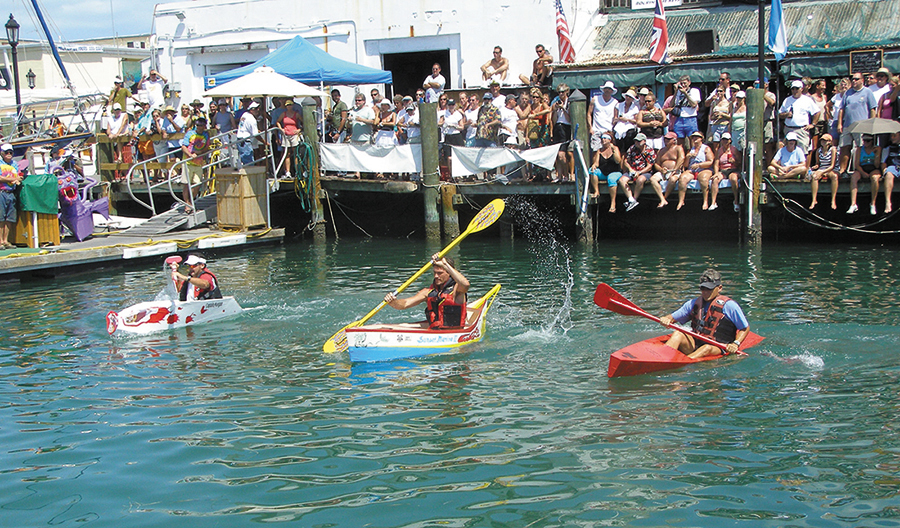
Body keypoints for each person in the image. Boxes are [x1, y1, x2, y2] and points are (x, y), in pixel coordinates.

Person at [659, 268, 750, 359]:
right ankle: (661, 358)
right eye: (703, 288)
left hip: (718, 346)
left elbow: (744, 328)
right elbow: (671, 318)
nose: (705, 292)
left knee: (706, 348)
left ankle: (685, 362)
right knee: (678, 333)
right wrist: (666, 319)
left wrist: (736, 343)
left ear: (719, 288)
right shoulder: (693, 304)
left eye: (709, 289)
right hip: (696, 342)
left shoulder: (729, 306)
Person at [383, 254, 470, 330]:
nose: (436, 276)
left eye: (440, 273)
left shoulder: (457, 290)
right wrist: (393, 302)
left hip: (454, 332)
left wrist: (445, 264)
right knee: (403, 325)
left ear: (449, 273)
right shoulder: (427, 292)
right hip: (434, 330)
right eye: (435, 273)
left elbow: (465, 284)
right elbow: (405, 304)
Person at [838, 73, 877, 174]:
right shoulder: (847, 93)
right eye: (852, 79)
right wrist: (839, 124)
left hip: (861, 126)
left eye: (856, 79)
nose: (854, 81)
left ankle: (857, 169)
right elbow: (841, 109)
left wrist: (871, 124)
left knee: (860, 147)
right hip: (847, 125)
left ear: (862, 80)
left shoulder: (868, 92)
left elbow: (872, 109)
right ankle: (842, 170)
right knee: (844, 147)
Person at [779, 79, 821, 153]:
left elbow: (817, 112)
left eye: (797, 89)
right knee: (788, 151)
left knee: (803, 151)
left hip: (802, 130)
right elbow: (779, 114)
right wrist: (786, 115)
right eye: (793, 89)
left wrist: (813, 124)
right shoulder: (787, 100)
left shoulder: (807, 100)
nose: (795, 91)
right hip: (789, 129)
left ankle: (803, 165)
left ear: (801, 89)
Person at [180, 117, 210, 213]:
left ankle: (191, 201)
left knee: (197, 184)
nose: (199, 127)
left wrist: (200, 152)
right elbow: (183, 146)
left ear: (204, 126)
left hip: (198, 163)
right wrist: (189, 155)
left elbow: (207, 147)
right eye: (197, 125)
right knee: (186, 184)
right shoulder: (190, 133)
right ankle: (187, 203)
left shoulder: (206, 135)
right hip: (188, 162)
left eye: (201, 125)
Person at [679, 130, 714, 210]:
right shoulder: (691, 149)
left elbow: (710, 161)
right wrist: (687, 157)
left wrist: (699, 165)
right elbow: (686, 165)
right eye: (693, 137)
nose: (694, 139)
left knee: (703, 178)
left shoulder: (706, 148)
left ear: (701, 139)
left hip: (704, 168)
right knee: (682, 178)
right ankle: (681, 200)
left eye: (696, 137)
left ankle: (705, 201)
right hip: (692, 169)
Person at [847, 134, 882, 215]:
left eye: (868, 141)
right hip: (862, 168)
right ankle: (853, 204)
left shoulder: (878, 149)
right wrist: (863, 173)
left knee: (875, 178)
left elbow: (877, 165)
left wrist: (876, 154)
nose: (865, 142)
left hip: (873, 168)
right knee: (853, 177)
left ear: (872, 141)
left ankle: (873, 203)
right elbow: (857, 164)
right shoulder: (859, 149)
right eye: (864, 140)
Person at [709, 132, 742, 212]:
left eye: (726, 140)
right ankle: (713, 202)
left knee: (733, 178)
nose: (725, 142)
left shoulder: (733, 150)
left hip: (733, 169)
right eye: (723, 140)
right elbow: (716, 163)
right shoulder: (719, 151)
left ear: (730, 140)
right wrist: (716, 173)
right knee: (715, 179)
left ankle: (736, 201)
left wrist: (734, 162)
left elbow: (740, 162)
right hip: (723, 170)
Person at [666, 75, 701, 146]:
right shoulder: (678, 92)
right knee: (679, 141)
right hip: (679, 119)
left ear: (689, 82)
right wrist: (676, 92)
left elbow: (694, 104)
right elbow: (671, 105)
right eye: (681, 83)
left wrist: (685, 93)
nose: (683, 85)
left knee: (692, 140)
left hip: (691, 118)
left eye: (685, 83)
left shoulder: (694, 91)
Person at [624, 132, 657, 208]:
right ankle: (631, 199)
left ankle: (634, 199)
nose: (636, 143)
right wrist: (630, 169)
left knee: (640, 180)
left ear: (644, 141)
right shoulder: (631, 148)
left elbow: (650, 166)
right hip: (632, 170)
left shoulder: (649, 151)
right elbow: (626, 161)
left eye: (639, 141)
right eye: (635, 141)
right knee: (622, 180)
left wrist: (639, 172)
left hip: (645, 172)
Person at [808, 133, 838, 210]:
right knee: (814, 176)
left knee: (834, 177)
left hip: (830, 169)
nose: (823, 142)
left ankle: (833, 200)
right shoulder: (818, 151)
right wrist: (816, 167)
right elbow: (818, 163)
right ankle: (814, 199)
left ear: (829, 142)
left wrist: (823, 172)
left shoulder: (833, 150)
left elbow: (832, 165)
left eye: (825, 140)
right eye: (822, 140)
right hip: (822, 168)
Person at [655, 132, 685, 208]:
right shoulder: (661, 150)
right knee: (653, 179)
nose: (666, 140)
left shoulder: (678, 148)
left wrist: (675, 170)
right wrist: (661, 169)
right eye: (665, 139)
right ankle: (662, 199)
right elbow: (656, 164)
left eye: (668, 139)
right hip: (663, 171)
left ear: (674, 140)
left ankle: (664, 198)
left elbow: (681, 159)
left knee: (672, 180)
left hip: (675, 171)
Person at [0, 143, 21, 249]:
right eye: (6, 152)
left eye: (11, 152)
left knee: (9, 218)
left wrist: (17, 180)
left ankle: (5, 241)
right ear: (2, 153)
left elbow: (17, 176)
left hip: (11, 193)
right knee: (1, 217)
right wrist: (12, 180)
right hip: (1, 192)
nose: (9, 154)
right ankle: (0, 241)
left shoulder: (14, 164)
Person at [588, 81, 618, 153]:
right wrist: (590, 128)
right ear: (603, 89)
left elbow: (615, 117)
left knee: (608, 152)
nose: (607, 90)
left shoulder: (615, 102)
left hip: (608, 131)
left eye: (609, 89)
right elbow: (589, 114)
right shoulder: (595, 99)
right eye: (606, 88)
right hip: (596, 130)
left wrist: (612, 130)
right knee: (595, 152)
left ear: (612, 91)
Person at [552, 84, 573, 182]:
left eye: (563, 92)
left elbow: (570, 119)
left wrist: (563, 108)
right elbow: (554, 120)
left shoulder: (569, 103)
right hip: (557, 128)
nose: (561, 94)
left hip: (565, 128)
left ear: (567, 92)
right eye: (559, 92)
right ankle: (559, 176)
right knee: (557, 155)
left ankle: (566, 175)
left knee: (562, 155)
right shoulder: (556, 102)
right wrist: (555, 110)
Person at [277, 100, 303, 177]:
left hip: (294, 135)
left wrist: (299, 130)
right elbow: (278, 121)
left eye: (290, 105)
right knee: (286, 153)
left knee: (295, 153)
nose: (289, 106)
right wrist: (281, 129)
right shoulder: (283, 114)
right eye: (287, 105)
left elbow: (303, 122)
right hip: (286, 135)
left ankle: (297, 171)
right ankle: (287, 172)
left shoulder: (296, 114)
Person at [614, 89, 640, 154]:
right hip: (619, 126)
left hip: (629, 127)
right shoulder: (618, 105)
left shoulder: (635, 108)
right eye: (627, 96)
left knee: (629, 138)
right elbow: (615, 118)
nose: (628, 98)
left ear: (632, 99)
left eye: (630, 97)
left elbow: (636, 121)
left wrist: (627, 120)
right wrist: (620, 119)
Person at [881, 131, 900, 214]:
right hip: (893, 167)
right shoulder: (887, 148)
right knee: (888, 174)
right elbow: (883, 162)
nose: (892, 138)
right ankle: (888, 202)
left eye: (894, 136)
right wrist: (884, 170)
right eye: (891, 136)